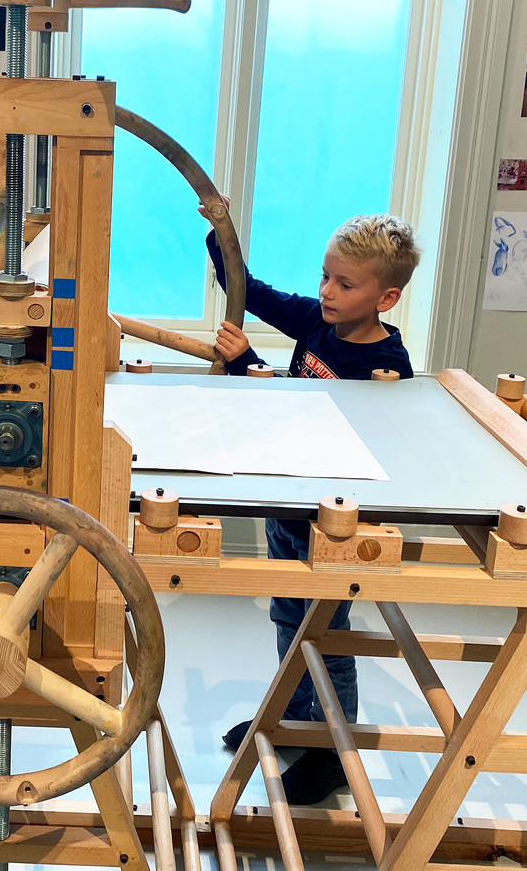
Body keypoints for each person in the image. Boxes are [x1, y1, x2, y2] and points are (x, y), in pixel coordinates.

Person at [200, 202, 420, 805]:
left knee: (326, 635)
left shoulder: (384, 365)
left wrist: (248, 366)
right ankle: (297, 719)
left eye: (345, 284)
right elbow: (258, 295)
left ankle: (331, 750)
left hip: (335, 524)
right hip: (290, 507)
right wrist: (221, 242)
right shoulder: (320, 324)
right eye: (325, 276)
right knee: (288, 620)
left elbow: (321, 421)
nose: (326, 291)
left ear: (386, 298)